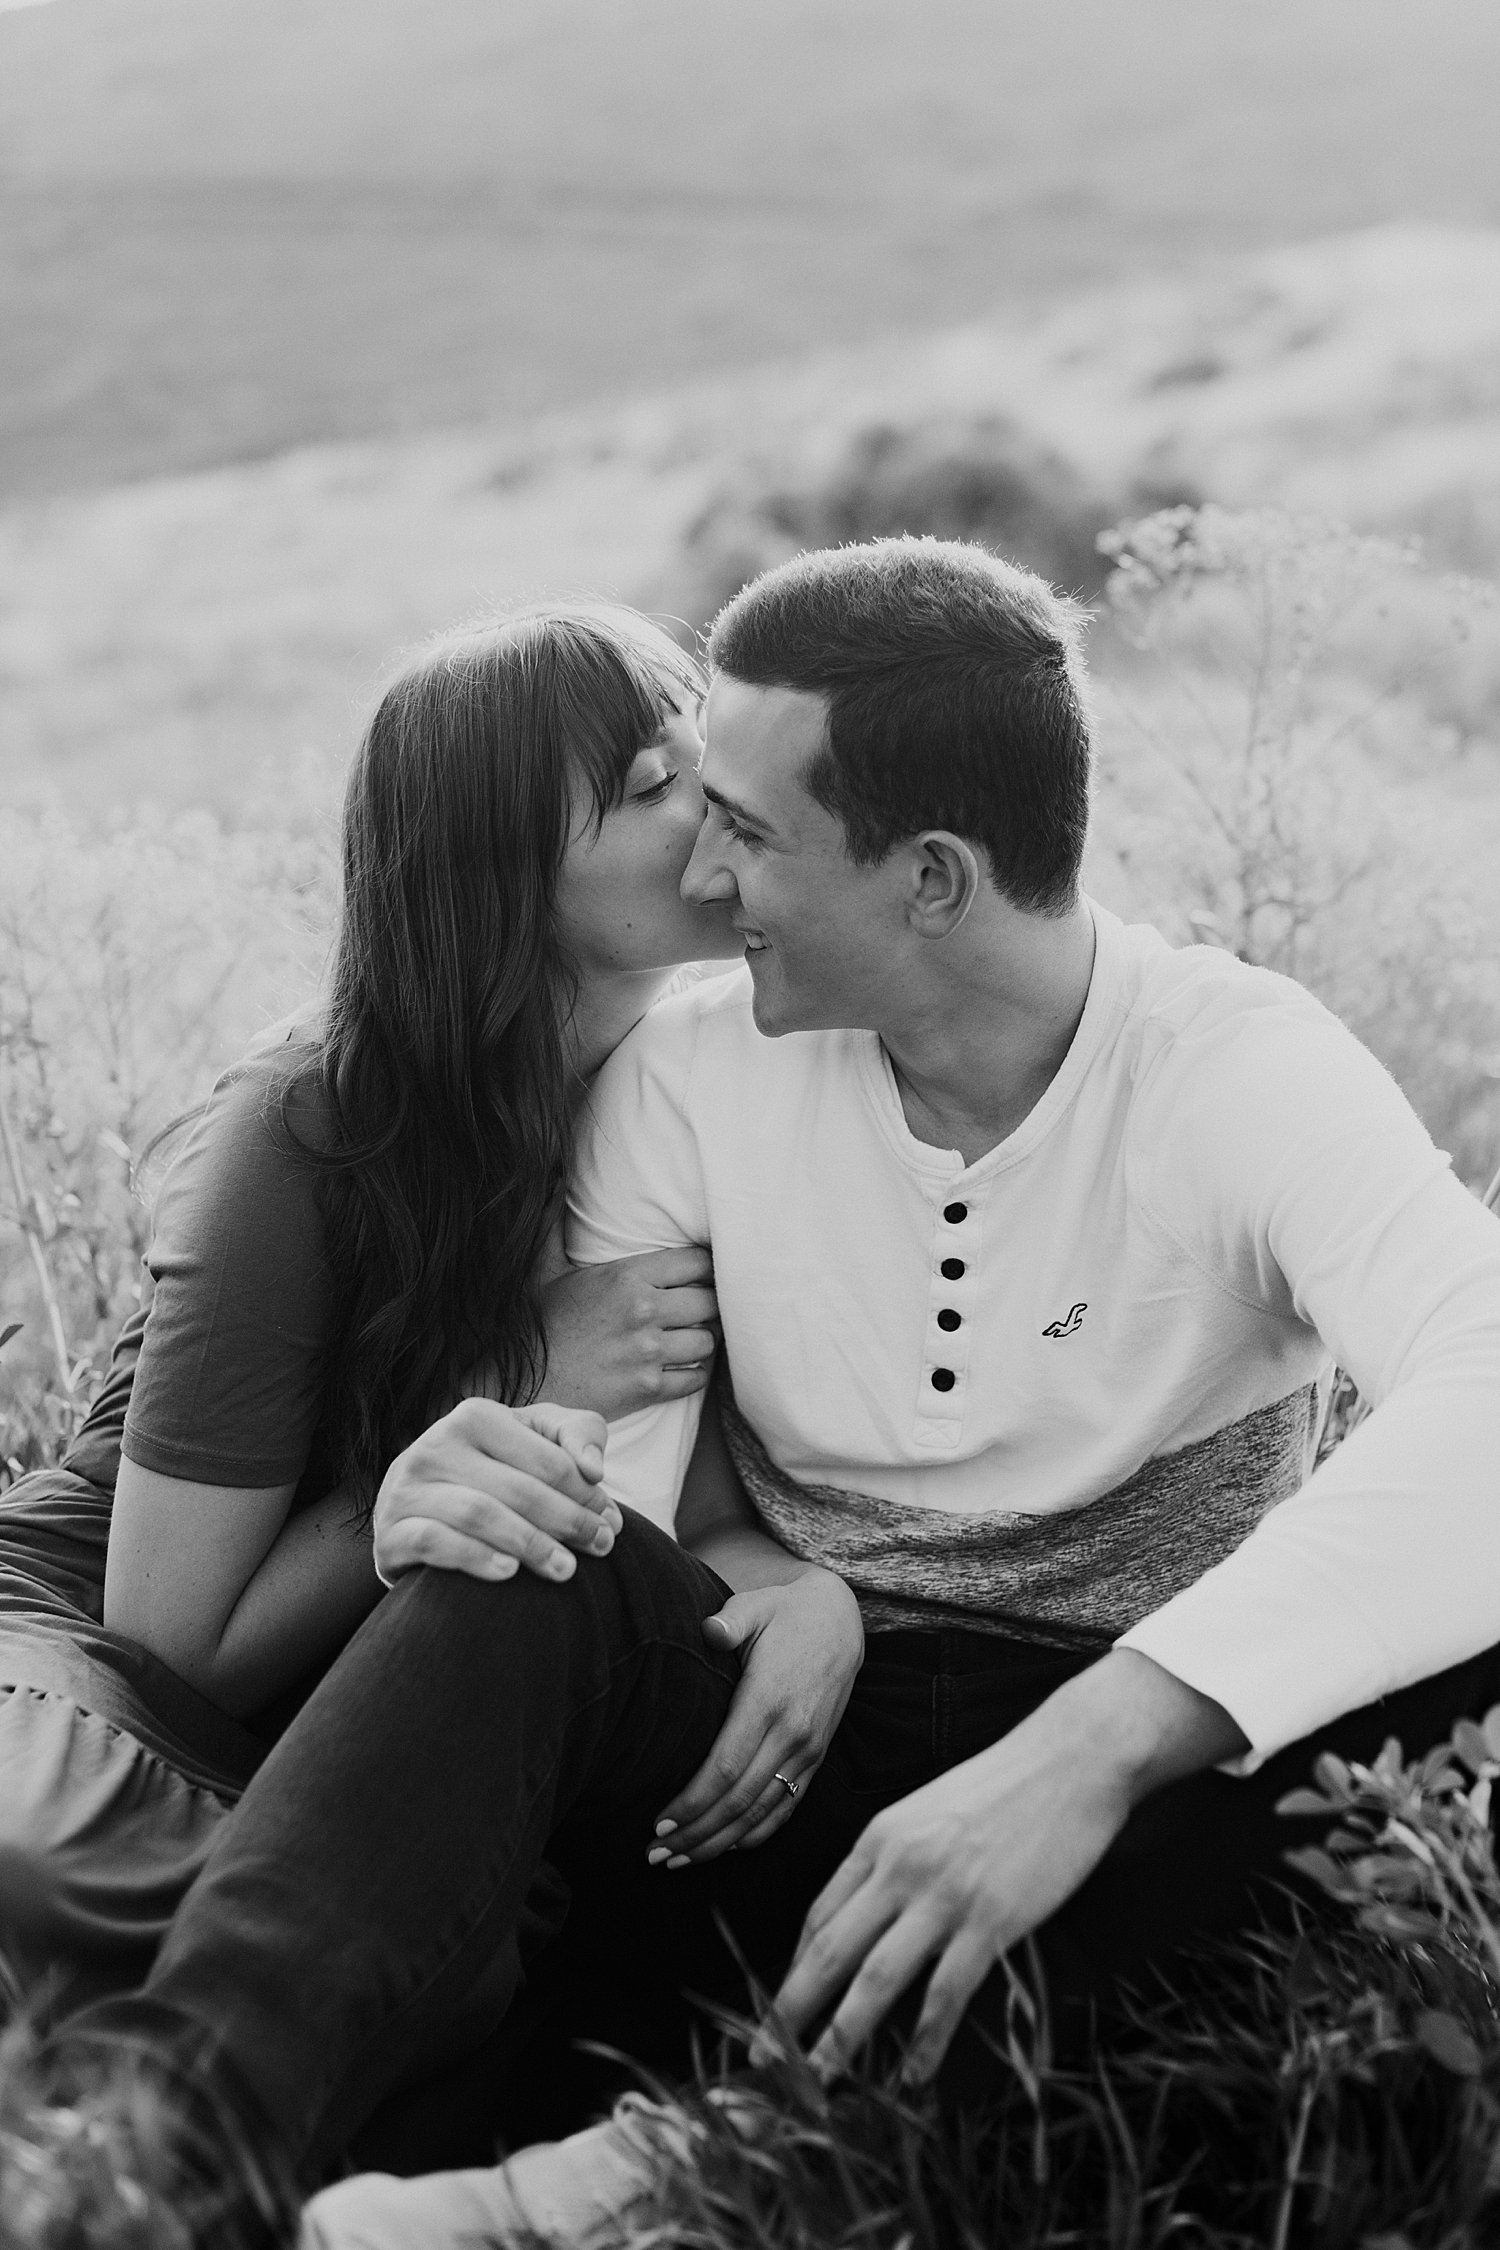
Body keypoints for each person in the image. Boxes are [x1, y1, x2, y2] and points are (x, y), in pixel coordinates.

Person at [40, 538, 1500, 2237]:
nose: (707, 882)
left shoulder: (1238, 1069)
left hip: (1128, 1823)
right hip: (768, 1768)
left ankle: (662, 2167)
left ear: (932, 878)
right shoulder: (679, 1076)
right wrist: (683, 1552)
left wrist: (1092, 1749)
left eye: (745, 827)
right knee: (525, 1571)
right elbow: (622, 1514)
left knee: (1441, 1657)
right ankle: (151, 2155)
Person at [0, 601, 780, 2004]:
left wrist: (820, 1599)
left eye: (703, 752)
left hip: (378, 1693)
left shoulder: (705, 1094)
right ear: (501, 880)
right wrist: (506, 1386)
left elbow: (724, 1513)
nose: (715, 799)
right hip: (86, 1651)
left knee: (463, 1960)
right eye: (656, 788)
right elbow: (168, 1642)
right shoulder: (311, 1121)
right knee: (76, 1864)